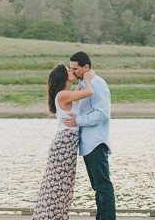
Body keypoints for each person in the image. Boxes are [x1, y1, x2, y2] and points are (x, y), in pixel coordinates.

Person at [32, 64, 95, 220]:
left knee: (62, 186)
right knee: (56, 187)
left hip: (67, 146)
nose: (72, 71)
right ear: (62, 76)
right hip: (64, 146)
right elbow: (89, 92)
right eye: (69, 70)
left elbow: (78, 92)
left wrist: (83, 76)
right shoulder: (62, 95)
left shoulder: (65, 95)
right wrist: (86, 78)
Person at [62, 51, 115, 220]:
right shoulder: (86, 85)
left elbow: (103, 113)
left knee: (103, 186)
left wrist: (79, 120)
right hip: (89, 144)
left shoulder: (97, 84)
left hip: (96, 142)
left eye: (75, 69)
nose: (73, 72)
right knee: (98, 186)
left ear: (86, 67)